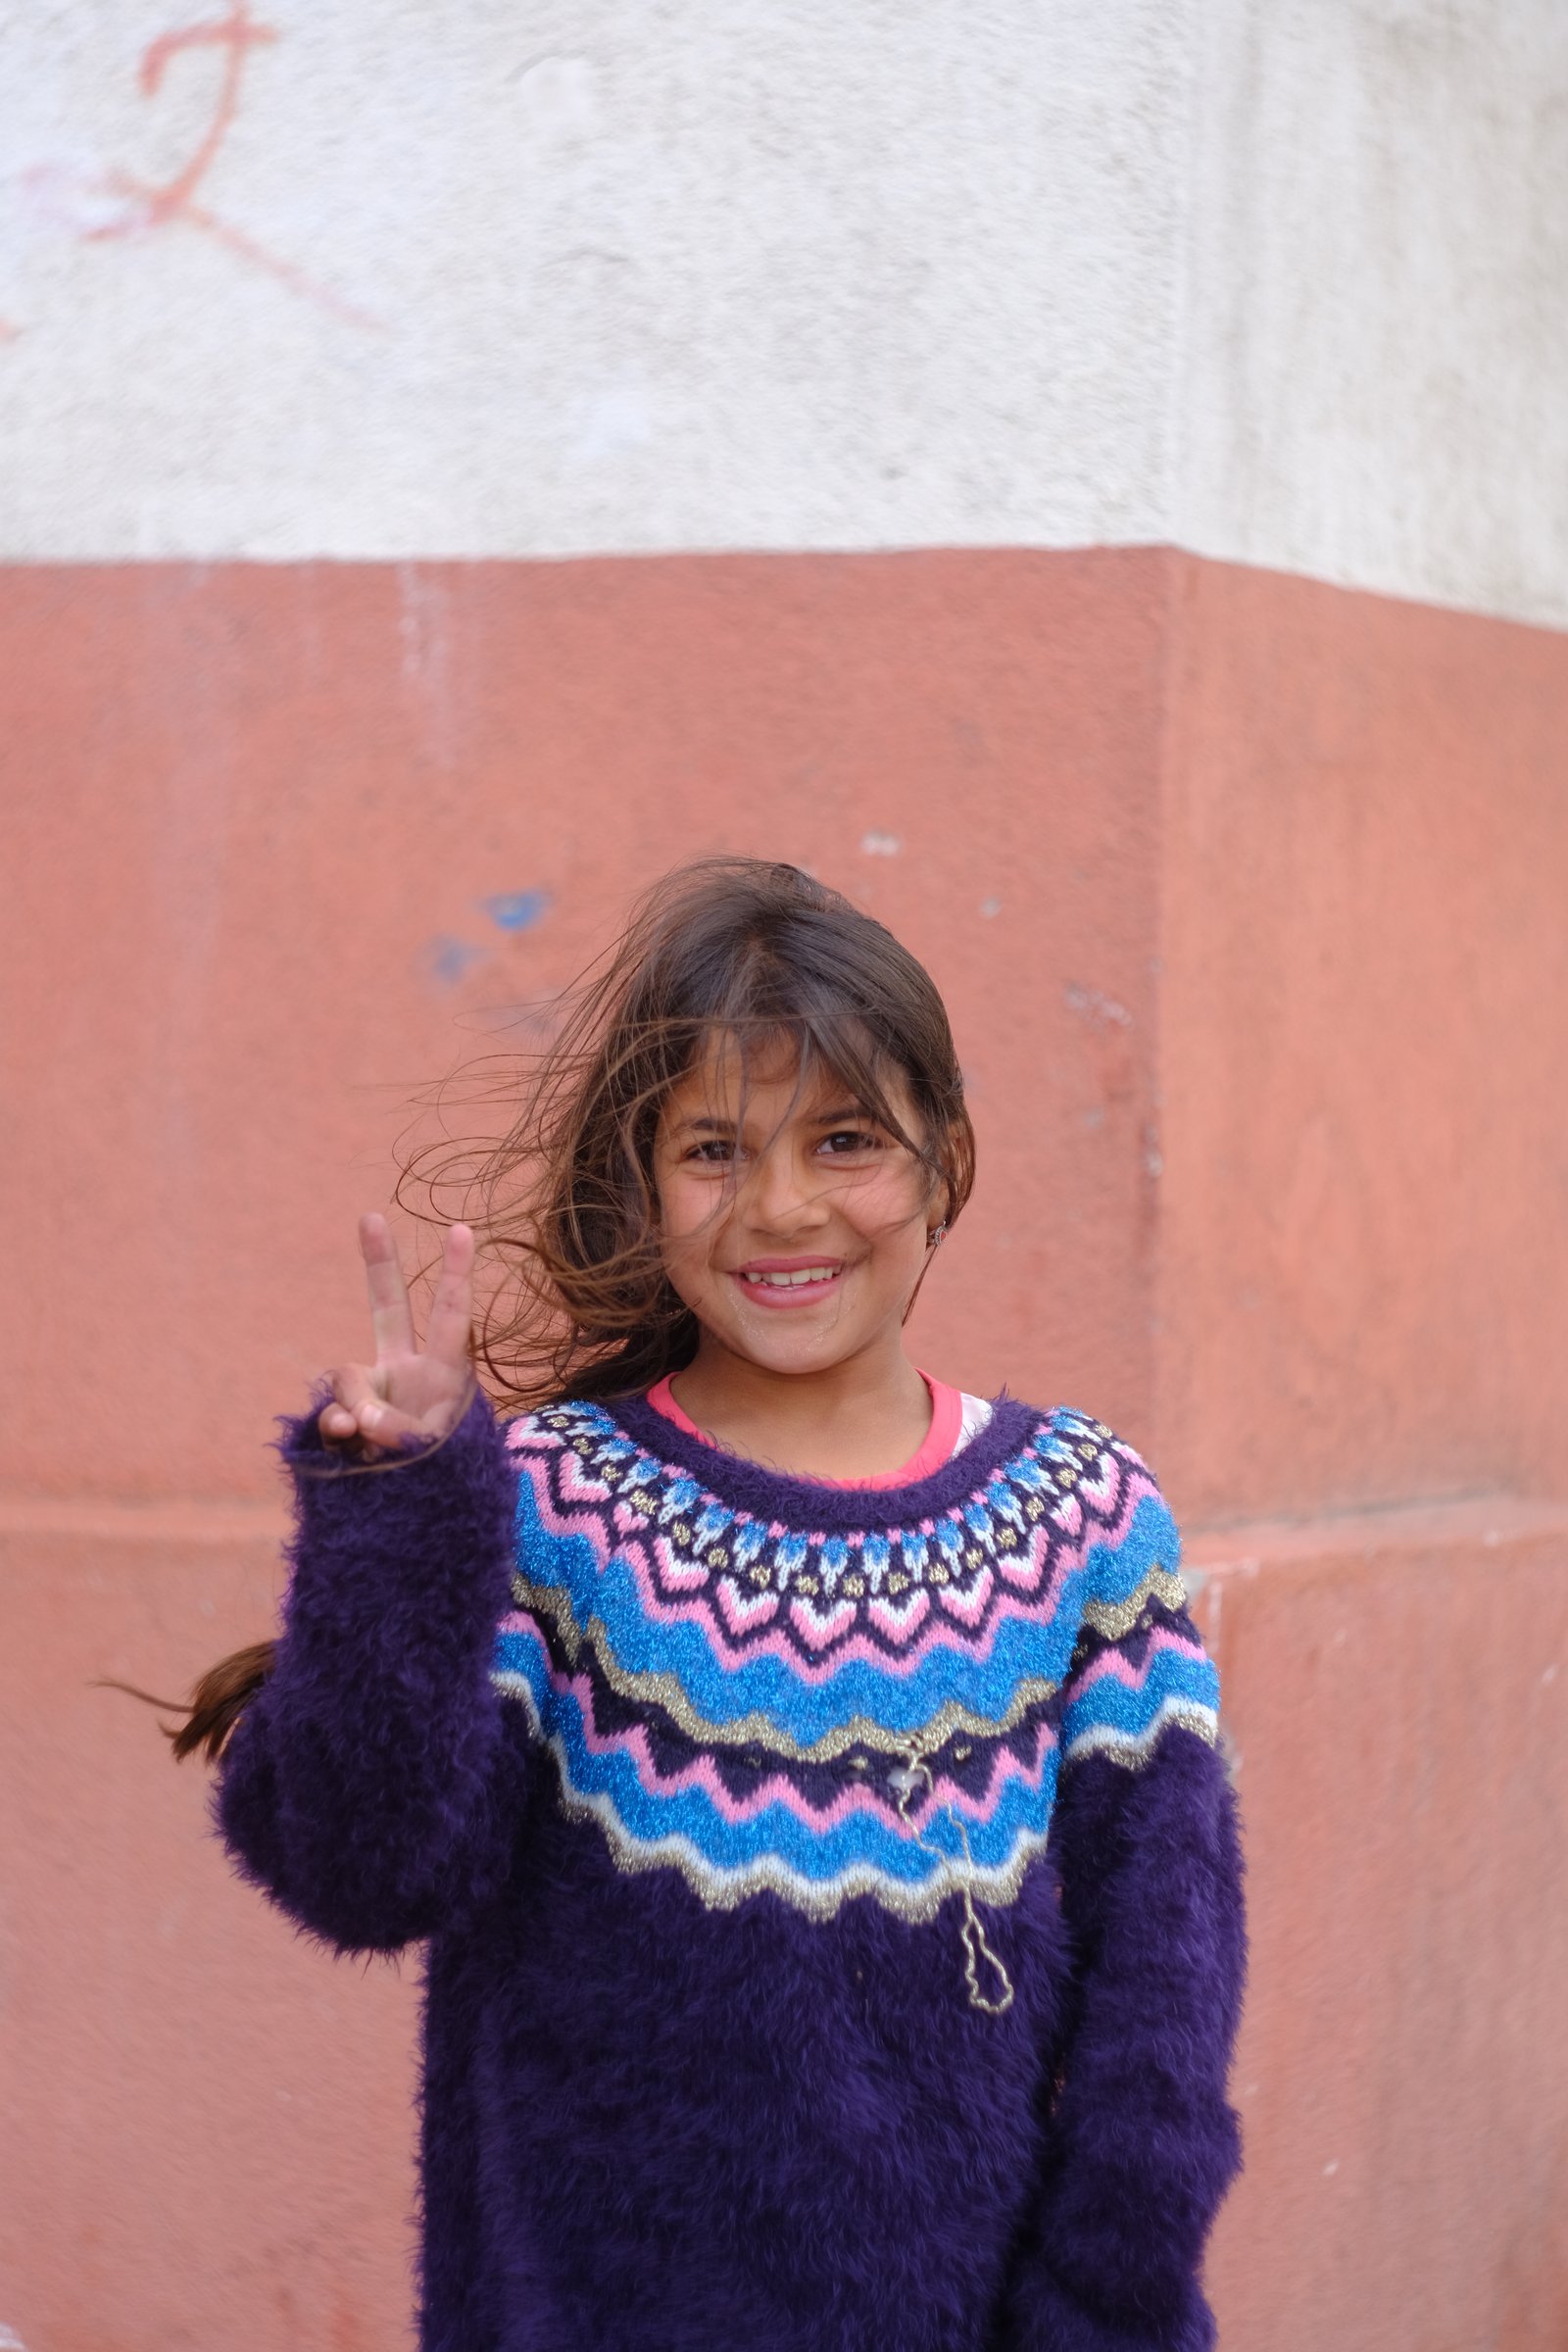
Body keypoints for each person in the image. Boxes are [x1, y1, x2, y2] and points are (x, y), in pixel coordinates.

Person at [167, 858, 1246, 2351]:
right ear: (644, 1183)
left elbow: (1162, 2016)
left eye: (847, 1139)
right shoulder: (548, 1509)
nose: (783, 1206)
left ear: (945, 1158)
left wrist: (1105, 2313)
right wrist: (405, 1513)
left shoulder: (1085, 1520)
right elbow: (363, 1867)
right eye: (716, 1149)